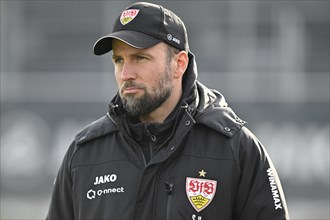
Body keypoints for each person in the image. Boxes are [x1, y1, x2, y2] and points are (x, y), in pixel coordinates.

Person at [46, 2, 289, 220]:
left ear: (179, 64)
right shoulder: (84, 153)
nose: (125, 74)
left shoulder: (236, 149)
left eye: (140, 58)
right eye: (119, 60)